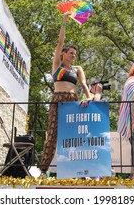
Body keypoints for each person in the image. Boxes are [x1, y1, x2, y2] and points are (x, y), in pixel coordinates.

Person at [39, 11, 93, 176]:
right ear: (64, 54)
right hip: (58, 100)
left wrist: (89, 96)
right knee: (53, 133)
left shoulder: (77, 69)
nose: (73, 55)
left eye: (75, 54)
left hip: (73, 101)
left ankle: (77, 170)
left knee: (75, 135)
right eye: (71, 53)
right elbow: (60, 42)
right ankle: (43, 170)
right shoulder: (57, 66)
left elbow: (83, 85)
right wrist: (64, 20)